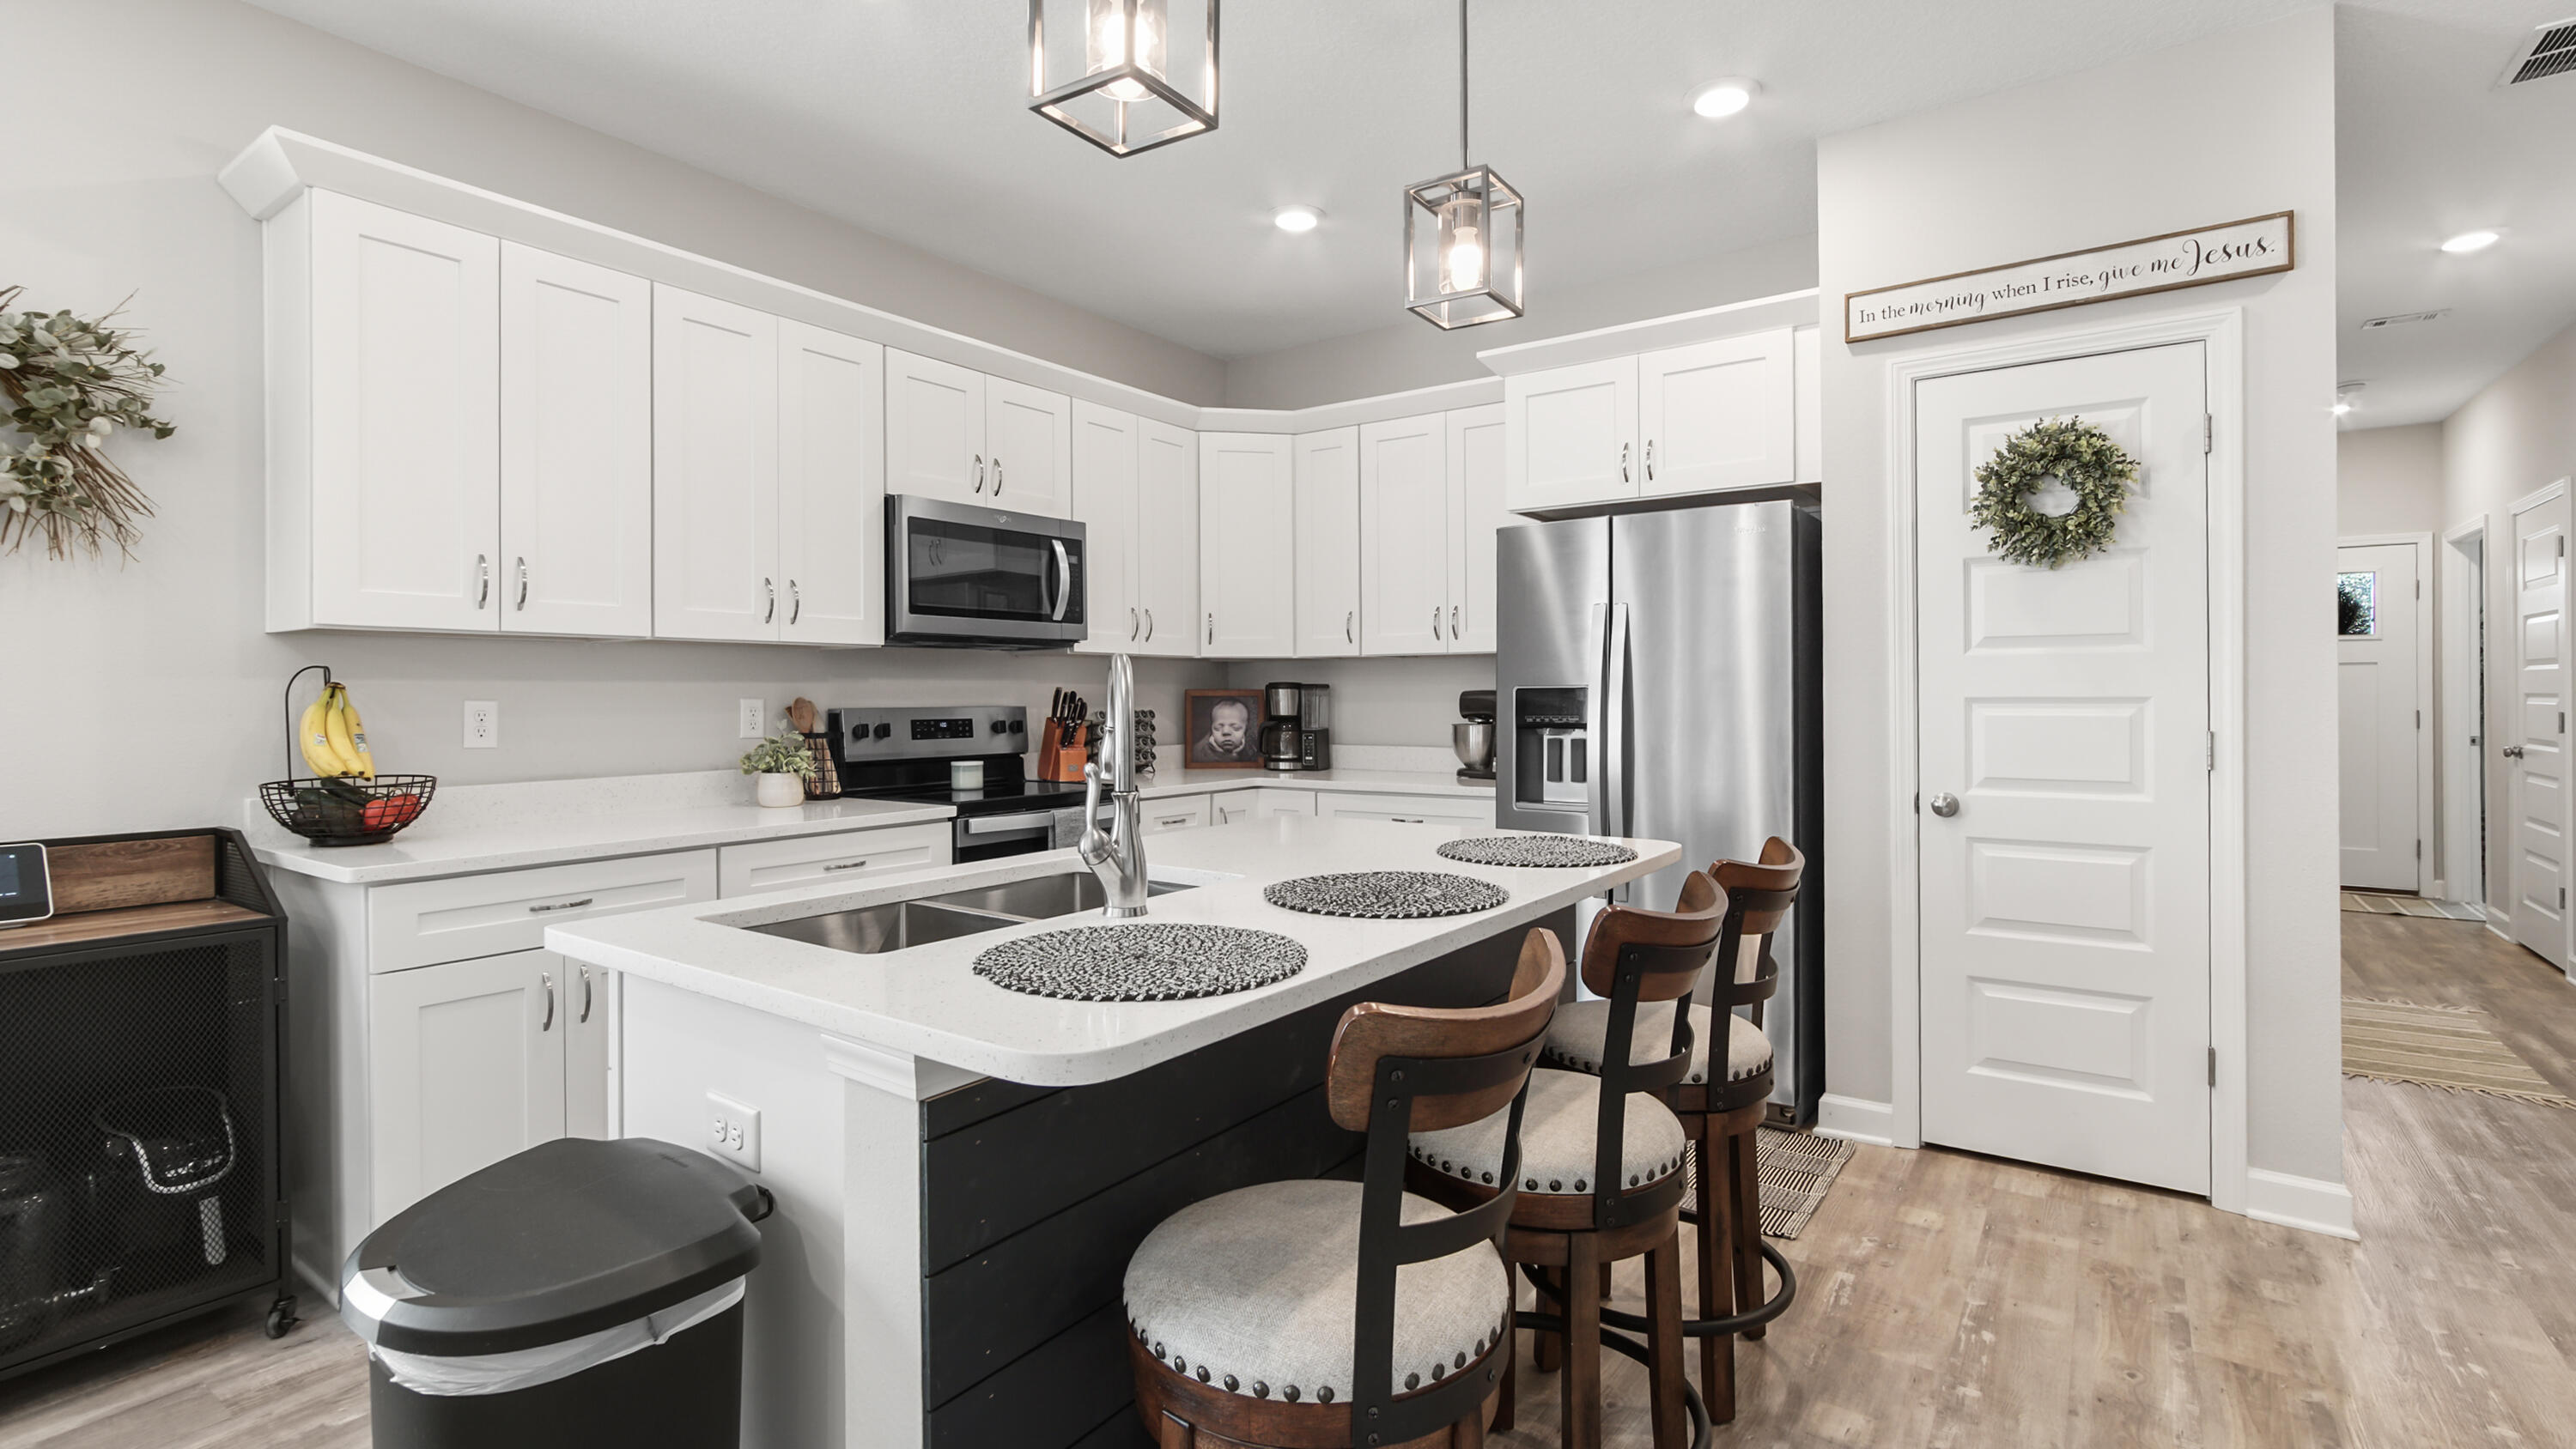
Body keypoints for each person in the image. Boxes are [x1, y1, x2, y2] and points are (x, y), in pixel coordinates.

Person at [1196, 697, 1257, 763]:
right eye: (1218, 728)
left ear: (1246, 729)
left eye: (1236, 728)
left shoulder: (1253, 751)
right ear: (1211, 729)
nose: (1226, 732)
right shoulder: (1199, 754)